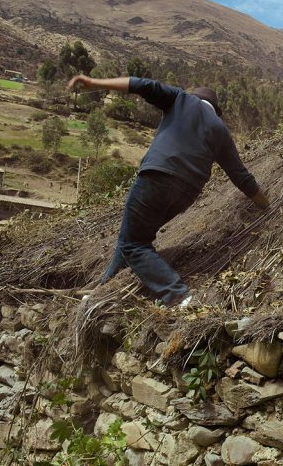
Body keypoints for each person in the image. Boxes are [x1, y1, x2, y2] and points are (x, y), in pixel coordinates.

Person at [66, 74, 269, 306]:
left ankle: (179, 295)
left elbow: (143, 85)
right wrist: (266, 205)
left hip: (157, 177)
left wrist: (94, 83)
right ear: (214, 109)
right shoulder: (220, 129)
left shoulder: (181, 99)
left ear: (196, 98)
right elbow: (240, 176)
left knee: (135, 244)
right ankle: (101, 293)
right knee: (129, 238)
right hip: (185, 194)